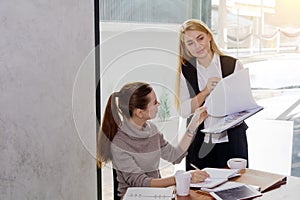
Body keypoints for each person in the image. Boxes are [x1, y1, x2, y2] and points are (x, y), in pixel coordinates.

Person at [97, 82, 209, 199]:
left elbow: (175, 156)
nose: (159, 104)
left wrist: (192, 126)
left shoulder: (152, 130)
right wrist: (181, 178)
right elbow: (142, 183)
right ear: (140, 113)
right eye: (155, 102)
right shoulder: (119, 144)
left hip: (156, 195)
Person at [175, 19, 249, 171]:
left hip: (233, 141)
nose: (197, 46)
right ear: (186, 47)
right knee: (198, 192)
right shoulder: (185, 71)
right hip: (199, 143)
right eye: (190, 43)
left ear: (209, 36)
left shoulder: (233, 65)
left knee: (236, 189)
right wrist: (205, 92)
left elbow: (246, 106)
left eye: (200, 38)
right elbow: (184, 111)